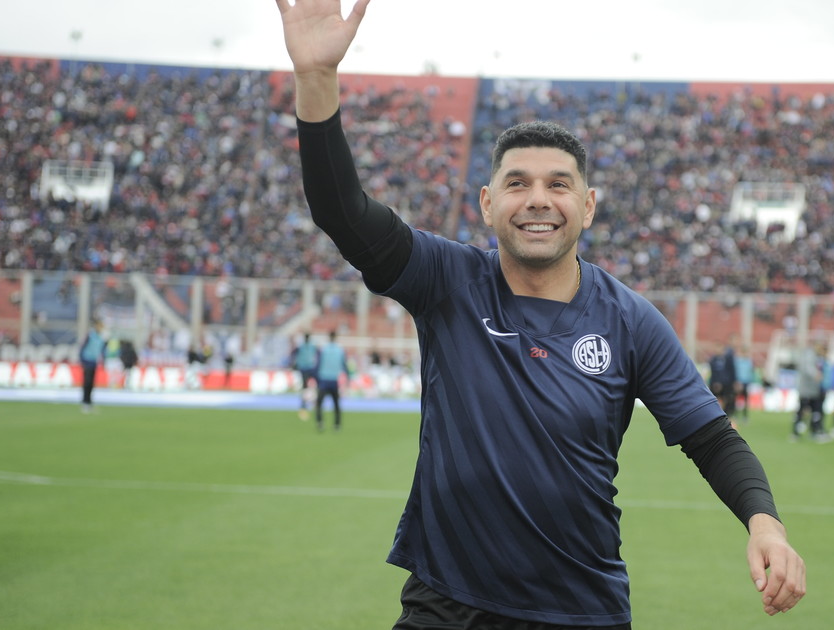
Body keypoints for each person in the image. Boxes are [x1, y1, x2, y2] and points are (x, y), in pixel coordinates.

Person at [275, 1, 805, 627]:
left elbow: (711, 438)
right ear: (487, 203)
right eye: (517, 183)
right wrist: (316, 79)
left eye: (558, 184)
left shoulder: (631, 320)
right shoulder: (445, 280)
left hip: (579, 610)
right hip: (446, 604)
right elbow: (343, 213)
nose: (537, 200)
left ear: (588, 206)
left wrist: (765, 524)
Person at [314, 330, 352, 432]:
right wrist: (348, 377)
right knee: (336, 404)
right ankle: (337, 425)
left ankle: (320, 422)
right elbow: (344, 365)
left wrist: (316, 378)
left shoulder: (323, 349)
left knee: (319, 403)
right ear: (335, 337)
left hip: (323, 379)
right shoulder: (340, 350)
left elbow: (318, 364)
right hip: (334, 380)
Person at [792, 343, 830, 443]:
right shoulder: (810, 356)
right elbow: (808, 369)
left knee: (813, 411)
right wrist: (816, 375)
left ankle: (812, 432)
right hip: (807, 390)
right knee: (803, 411)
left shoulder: (814, 356)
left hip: (812, 390)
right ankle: (796, 432)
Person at [78, 318, 107, 413]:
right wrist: (81, 359)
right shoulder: (91, 335)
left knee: (91, 383)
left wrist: (103, 360)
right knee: (87, 382)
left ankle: (89, 402)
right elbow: (83, 347)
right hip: (87, 360)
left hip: (94, 361)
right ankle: (85, 402)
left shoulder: (101, 337)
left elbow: (102, 350)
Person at [707, 340, 738, 423]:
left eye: (720, 348)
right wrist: (715, 382)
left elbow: (731, 371)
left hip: (725, 383)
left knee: (726, 399)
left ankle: (723, 415)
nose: (718, 350)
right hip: (714, 383)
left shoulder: (727, 359)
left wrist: (733, 382)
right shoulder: (712, 360)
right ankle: (715, 415)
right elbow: (712, 372)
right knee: (715, 400)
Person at [291, 333, 319, 421]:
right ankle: (304, 405)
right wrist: (295, 363)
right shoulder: (303, 346)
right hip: (305, 368)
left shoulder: (309, 346)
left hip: (310, 368)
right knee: (305, 387)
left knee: (313, 386)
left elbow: (294, 353)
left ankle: (312, 402)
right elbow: (294, 353)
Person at [734, 343, 756, 425]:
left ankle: (745, 416)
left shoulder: (749, 361)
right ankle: (735, 415)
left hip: (746, 382)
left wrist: (750, 381)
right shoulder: (738, 361)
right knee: (736, 399)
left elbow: (751, 372)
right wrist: (737, 381)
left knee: (745, 400)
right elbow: (736, 372)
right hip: (739, 382)